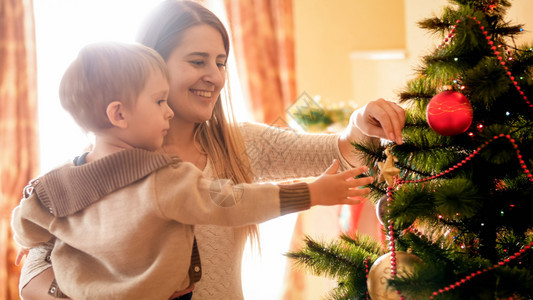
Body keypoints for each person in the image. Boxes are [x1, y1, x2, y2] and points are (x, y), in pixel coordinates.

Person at [17, 1, 405, 299]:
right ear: (152, 64)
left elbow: (343, 153)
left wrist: (360, 121)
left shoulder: (240, 144)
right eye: (197, 61)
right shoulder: (99, 168)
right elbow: (36, 257)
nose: (215, 77)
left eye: (221, 63)